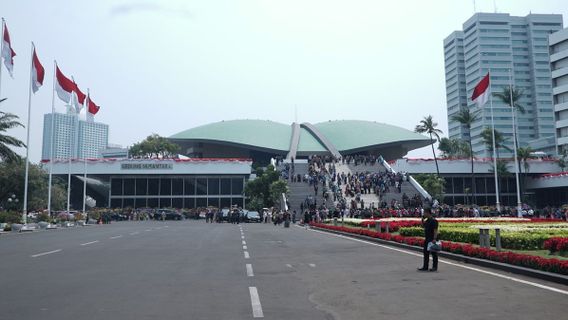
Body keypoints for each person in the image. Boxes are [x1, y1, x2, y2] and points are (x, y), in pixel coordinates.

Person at [418, 207, 439, 272]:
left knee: (433, 253)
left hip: (432, 238)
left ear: (428, 213)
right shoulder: (427, 220)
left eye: (424, 212)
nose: (423, 214)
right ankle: (425, 266)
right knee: (425, 253)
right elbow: (422, 226)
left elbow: (435, 230)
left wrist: (434, 239)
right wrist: (422, 219)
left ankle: (434, 267)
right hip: (427, 238)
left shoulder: (434, 221)